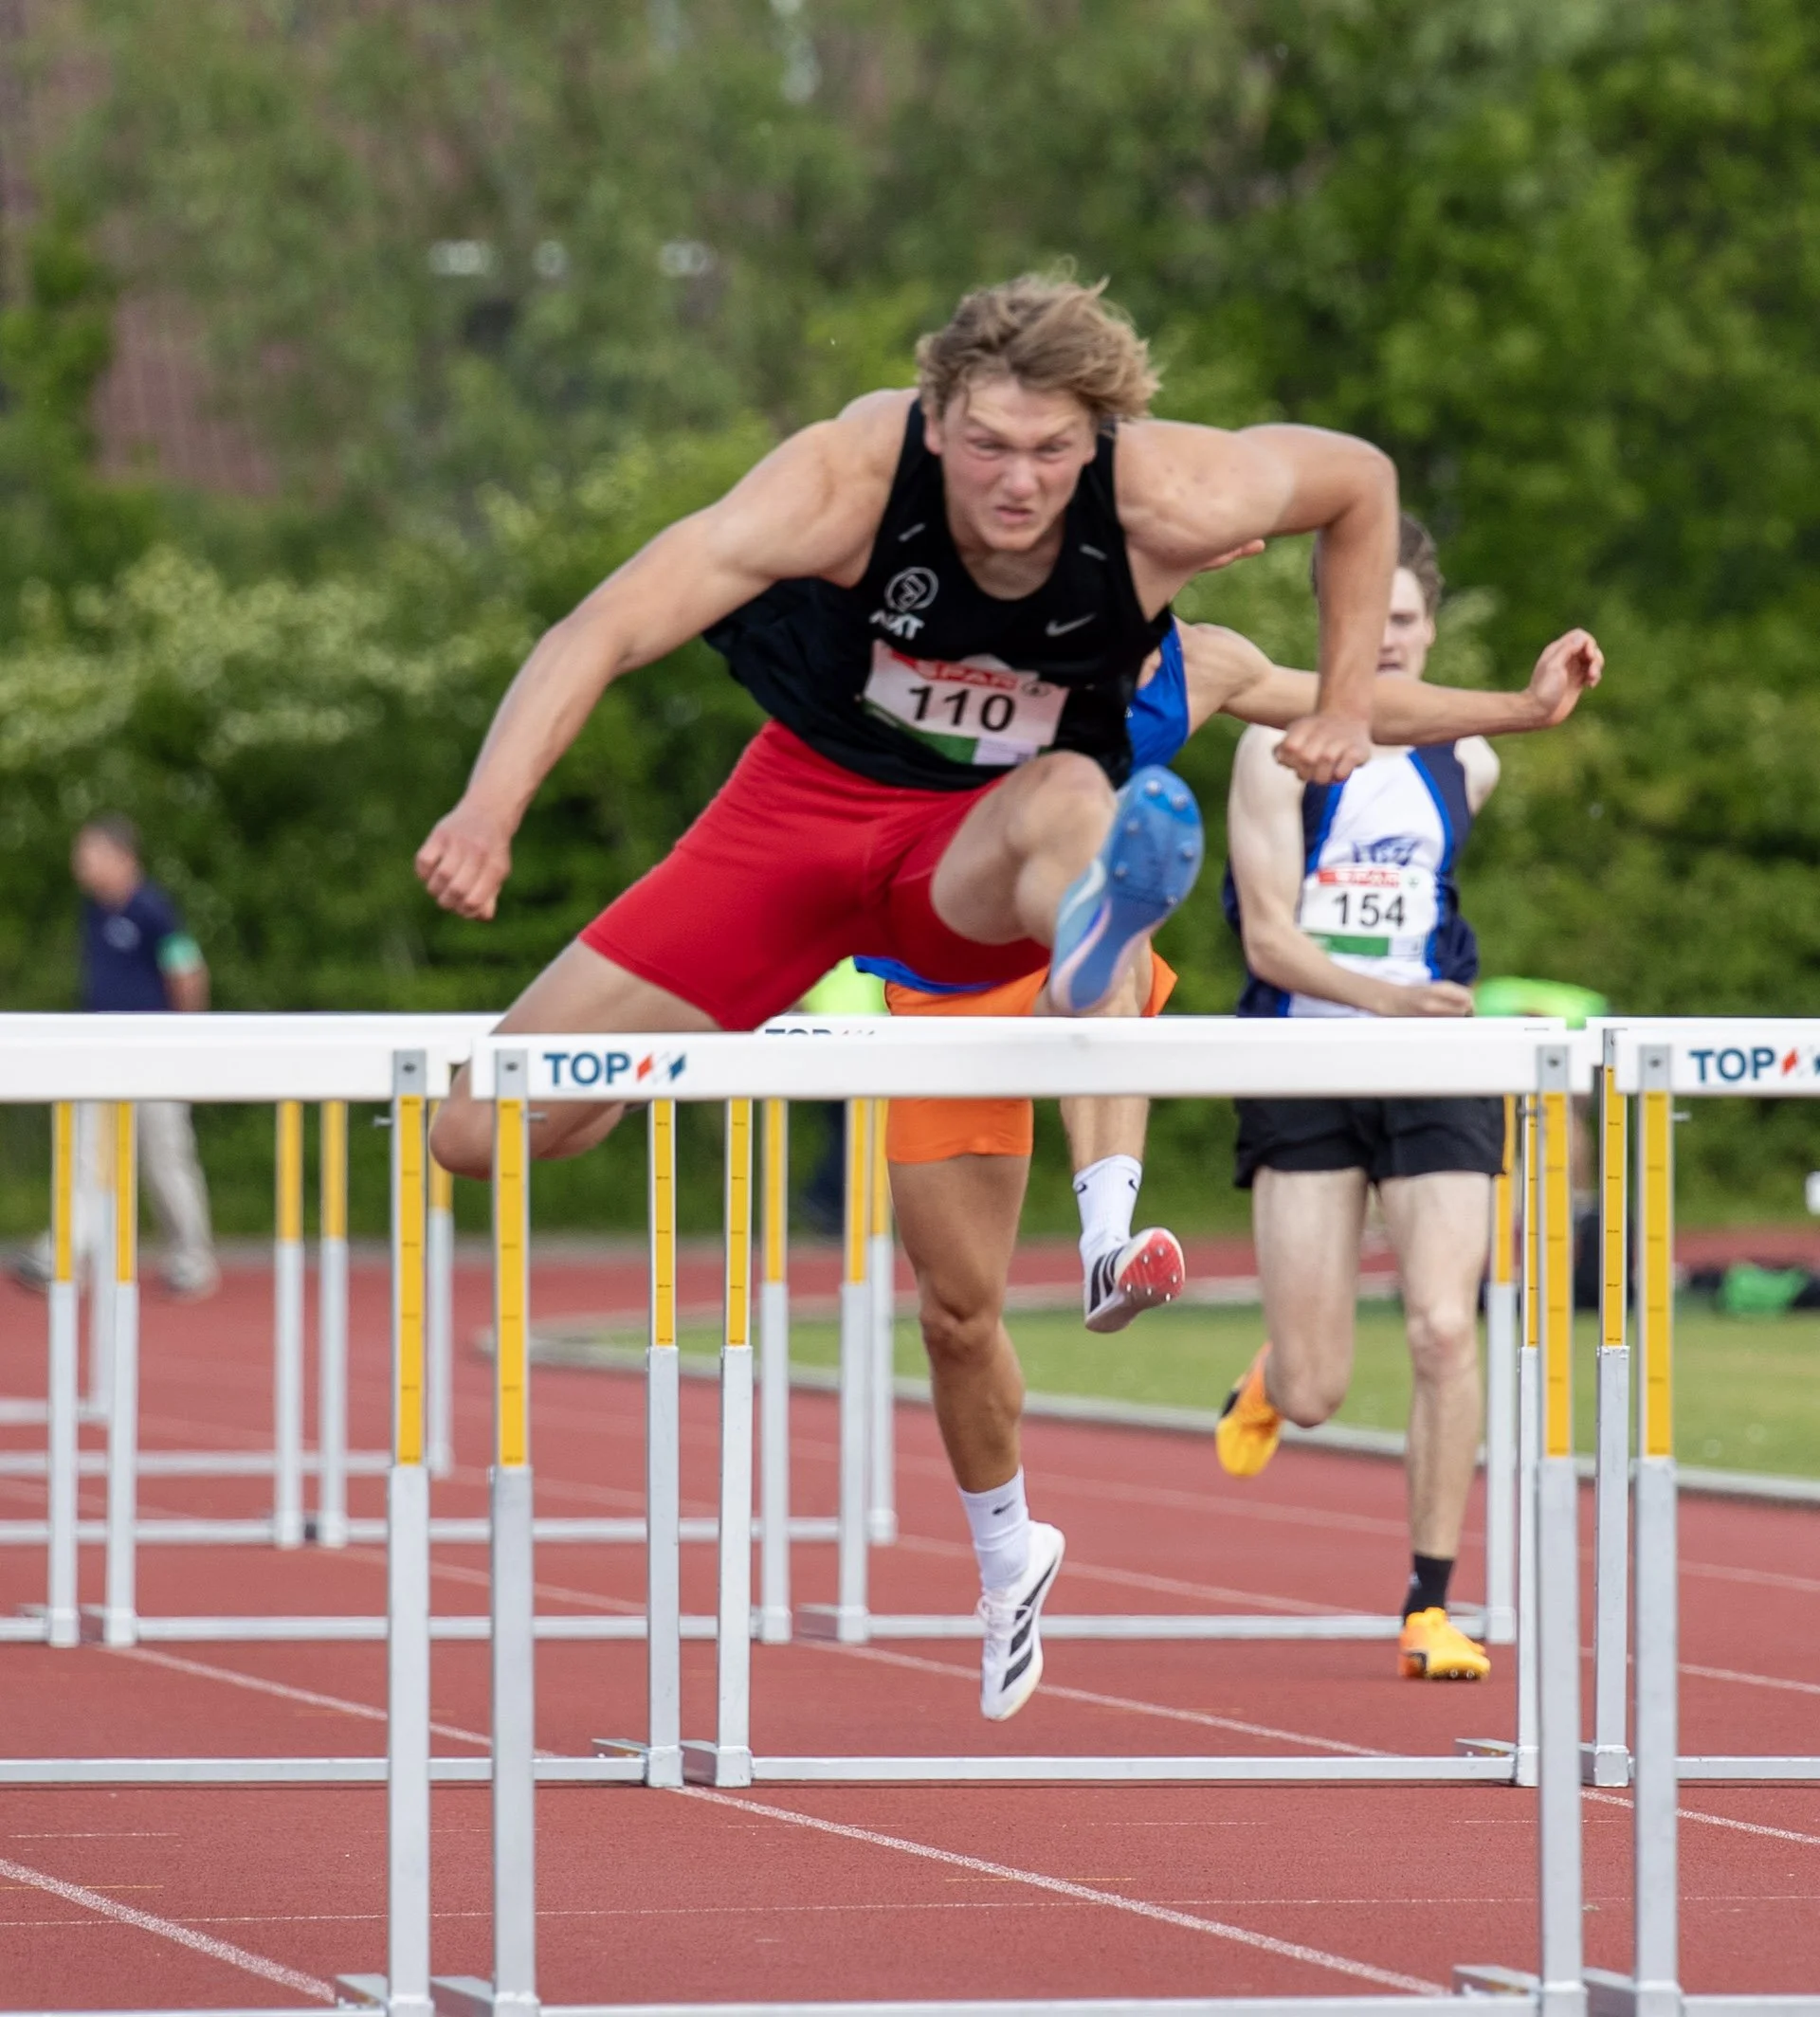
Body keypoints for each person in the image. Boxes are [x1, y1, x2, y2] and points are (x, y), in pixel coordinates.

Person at [419, 274, 1407, 1721]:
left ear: (1104, 442)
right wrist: (491, 807)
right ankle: (714, 1042)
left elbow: (1363, 485)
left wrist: (1347, 701)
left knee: (1080, 790)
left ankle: (1091, 960)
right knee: (478, 1132)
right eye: (990, 446)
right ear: (936, 420)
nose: (1020, 485)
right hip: (795, 824)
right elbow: (603, 625)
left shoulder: (1173, 491)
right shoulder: (841, 476)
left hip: (981, 854)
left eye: (1054, 455)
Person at [862, 614, 1602, 1711]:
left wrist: (1525, 709)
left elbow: (1363, 713)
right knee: (956, 1318)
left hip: (1117, 959)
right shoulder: (949, 629)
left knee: (1115, 943)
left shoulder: (1202, 662)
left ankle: (1109, 1239)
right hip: (943, 975)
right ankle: (1011, 1555)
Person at [1215, 516, 1603, 1681]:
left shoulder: (1465, 761)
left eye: (1401, 622)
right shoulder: (1273, 745)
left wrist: (1416, 1013)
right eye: (1361, 620)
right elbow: (1272, 942)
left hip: (1436, 1064)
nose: (1382, 641)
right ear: (1328, 629)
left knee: (1445, 1324)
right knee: (1323, 1387)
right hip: (1307, 1064)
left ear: (1429, 630)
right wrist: (1377, 1006)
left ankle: (1430, 1603)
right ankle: (1276, 1375)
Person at [11, 816, 219, 1299]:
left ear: (120, 856)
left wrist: (186, 1039)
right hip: (98, 1051)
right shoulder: (94, 910)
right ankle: (66, 1250)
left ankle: (192, 1253)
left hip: (152, 1052)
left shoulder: (152, 910)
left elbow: (187, 971)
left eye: (88, 853)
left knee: (165, 1156)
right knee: (84, 1156)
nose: (79, 864)